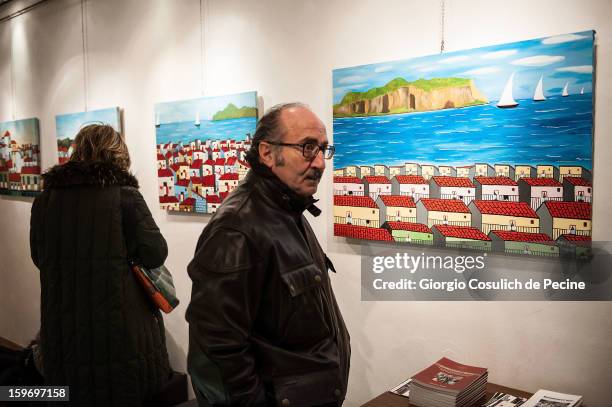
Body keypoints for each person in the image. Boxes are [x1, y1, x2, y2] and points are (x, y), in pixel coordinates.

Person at [186, 103, 351, 407]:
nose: (320, 163)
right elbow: (216, 351)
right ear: (266, 153)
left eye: (323, 149)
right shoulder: (236, 229)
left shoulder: (289, 209)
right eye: (307, 147)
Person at [30, 124, 171, 406]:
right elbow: (155, 253)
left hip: (64, 326)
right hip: (118, 329)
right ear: (117, 154)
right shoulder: (125, 196)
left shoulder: (45, 200)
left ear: (77, 152)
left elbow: (39, 257)